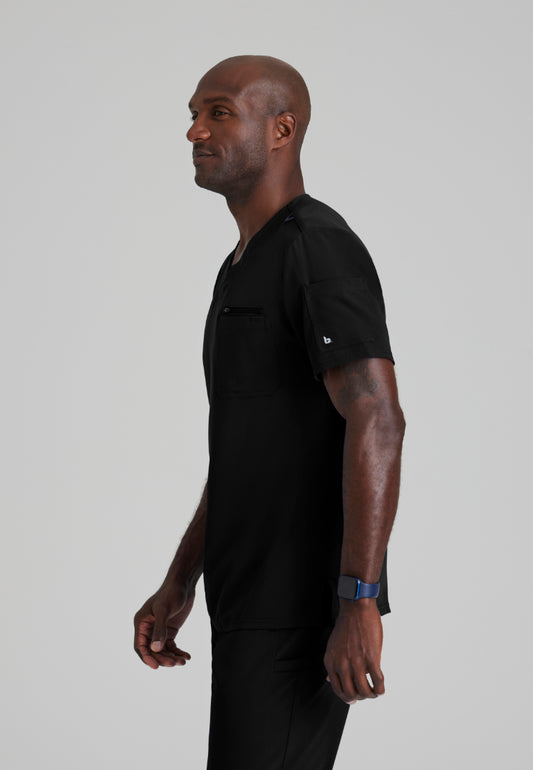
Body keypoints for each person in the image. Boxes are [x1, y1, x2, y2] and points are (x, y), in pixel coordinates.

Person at [133, 54, 406, 770]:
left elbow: (377, 417)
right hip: (245, 602)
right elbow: (249, 448)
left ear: (281, 130)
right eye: (193, 114)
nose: (195, 130)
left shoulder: (317, 248)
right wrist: (182, 578)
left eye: (219, 112)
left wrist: (359, 600)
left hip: (298, 612)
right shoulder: (240, 266)